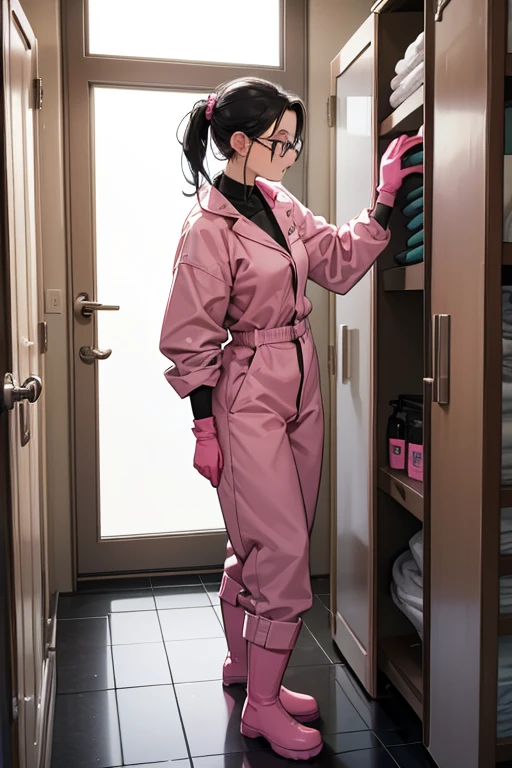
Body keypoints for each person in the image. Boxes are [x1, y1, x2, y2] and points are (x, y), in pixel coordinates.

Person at [160, 77, 422, 761]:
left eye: (293, 140)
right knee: (281, 553)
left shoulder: (279, 202)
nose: (290, 153)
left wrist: (386, 199)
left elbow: (335, 261)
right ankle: (263, 708)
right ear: (239, 142)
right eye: (280, 142)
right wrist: (205, 428)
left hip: (300, 375)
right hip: (247, 388)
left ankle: (247, 669)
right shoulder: (207, 231)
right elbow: (190, 339)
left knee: (276, 538)